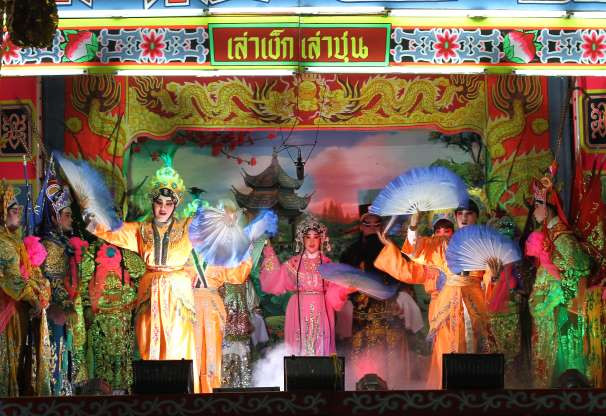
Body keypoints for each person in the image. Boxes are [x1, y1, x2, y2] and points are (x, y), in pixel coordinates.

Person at [83, 157, 251, 393]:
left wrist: (228, 220)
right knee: (147, 344)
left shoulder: (187, 227)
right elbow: (113, 230)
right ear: (152, 203)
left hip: (177, 294)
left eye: (169, 203)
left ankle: (184, 395)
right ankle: (153, 396)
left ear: (176, 205)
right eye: (159, 202)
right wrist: (91, 216)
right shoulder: (140, 231)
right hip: (150, 292)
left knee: (179, 346)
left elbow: (215, 226)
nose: (163, 207)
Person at [339, 212, 423, 389]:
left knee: (392, 363)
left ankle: (394, 391)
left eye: (376, 225)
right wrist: (353, 294)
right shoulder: (350, 253)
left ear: (382, 227)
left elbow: (404, 277)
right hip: (362, 316)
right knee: (363, 360)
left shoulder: (392, 249)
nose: (372, 228)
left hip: (389, 313)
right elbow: (342, 283)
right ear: (361, 226)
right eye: (367, 224)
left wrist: (403, 294)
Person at [259, 215, 351, 356]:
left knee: (320, 344)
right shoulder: (293, 264)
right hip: (298, 308)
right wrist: (269, 252)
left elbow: (334, 293)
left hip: (322, 308)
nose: (311, 241)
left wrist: (347, 286)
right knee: (299, 346)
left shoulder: (328, 264)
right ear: (302, 239)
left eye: (316, 237)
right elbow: (275, 279)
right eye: (308, 237)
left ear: (321, 239)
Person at [530, 176, 591, 385]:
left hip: (564, 308)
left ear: (548, 208)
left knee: (566, 356)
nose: (534, 211)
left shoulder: (563, 237)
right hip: (551, 308)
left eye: (537, 205)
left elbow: (580, 269)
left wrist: (556, 292)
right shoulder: (550, 237)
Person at [0, 181, 50, 396]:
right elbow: (13, 278)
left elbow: (30, 273)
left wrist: (41, 290)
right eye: (13, 209)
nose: (18, 212)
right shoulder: (3, 243)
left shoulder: (15, 242)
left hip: (18, 309)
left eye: (18, 208)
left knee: (18, 360)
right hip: (7, 310)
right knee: (7, 361)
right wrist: (33, 298)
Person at [39, 180, 88, 395]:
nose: (70, 219)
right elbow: (52, 279)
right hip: (56, 311)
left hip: (66, 308)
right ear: (54, 218)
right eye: (66, 215)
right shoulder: (51, 245)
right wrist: (65, 303)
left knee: (67, 356)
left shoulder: (62, 243)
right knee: (57, 358)